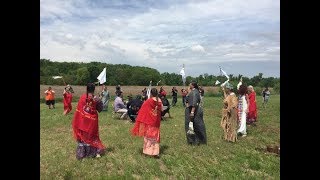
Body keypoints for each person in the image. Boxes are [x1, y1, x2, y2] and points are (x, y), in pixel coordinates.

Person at [72, 83, 105, 159]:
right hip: (91, 122)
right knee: (92, 136)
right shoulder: (96, 99)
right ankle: (93, 153)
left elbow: (79, 109)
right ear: (94, 89)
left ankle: (81, 154)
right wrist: (100, 99)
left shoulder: (82, 97)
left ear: (86, 89)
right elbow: (100, 109)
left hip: (82, 121)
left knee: (83, 137)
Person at [131, 88, 163, 158]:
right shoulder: (159, 100)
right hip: (156, 122)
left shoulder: (149, 101)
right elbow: (162, 109)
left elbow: (143, 108)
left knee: (148, 136)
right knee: (155, 137)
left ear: (151, 94)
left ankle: (148, 152)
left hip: (149, 121)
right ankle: (155, 152)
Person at [185, 81, 207, 145]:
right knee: (194, 126)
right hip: (194, 110)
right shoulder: (194, 91)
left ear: (193, 85)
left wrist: (192, 112)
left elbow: (194, 103)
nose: (189, 85)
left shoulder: (194, 92)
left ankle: (196, 140)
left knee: (196, 125)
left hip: (194, 110)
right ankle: (197, 140)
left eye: (190, 84)